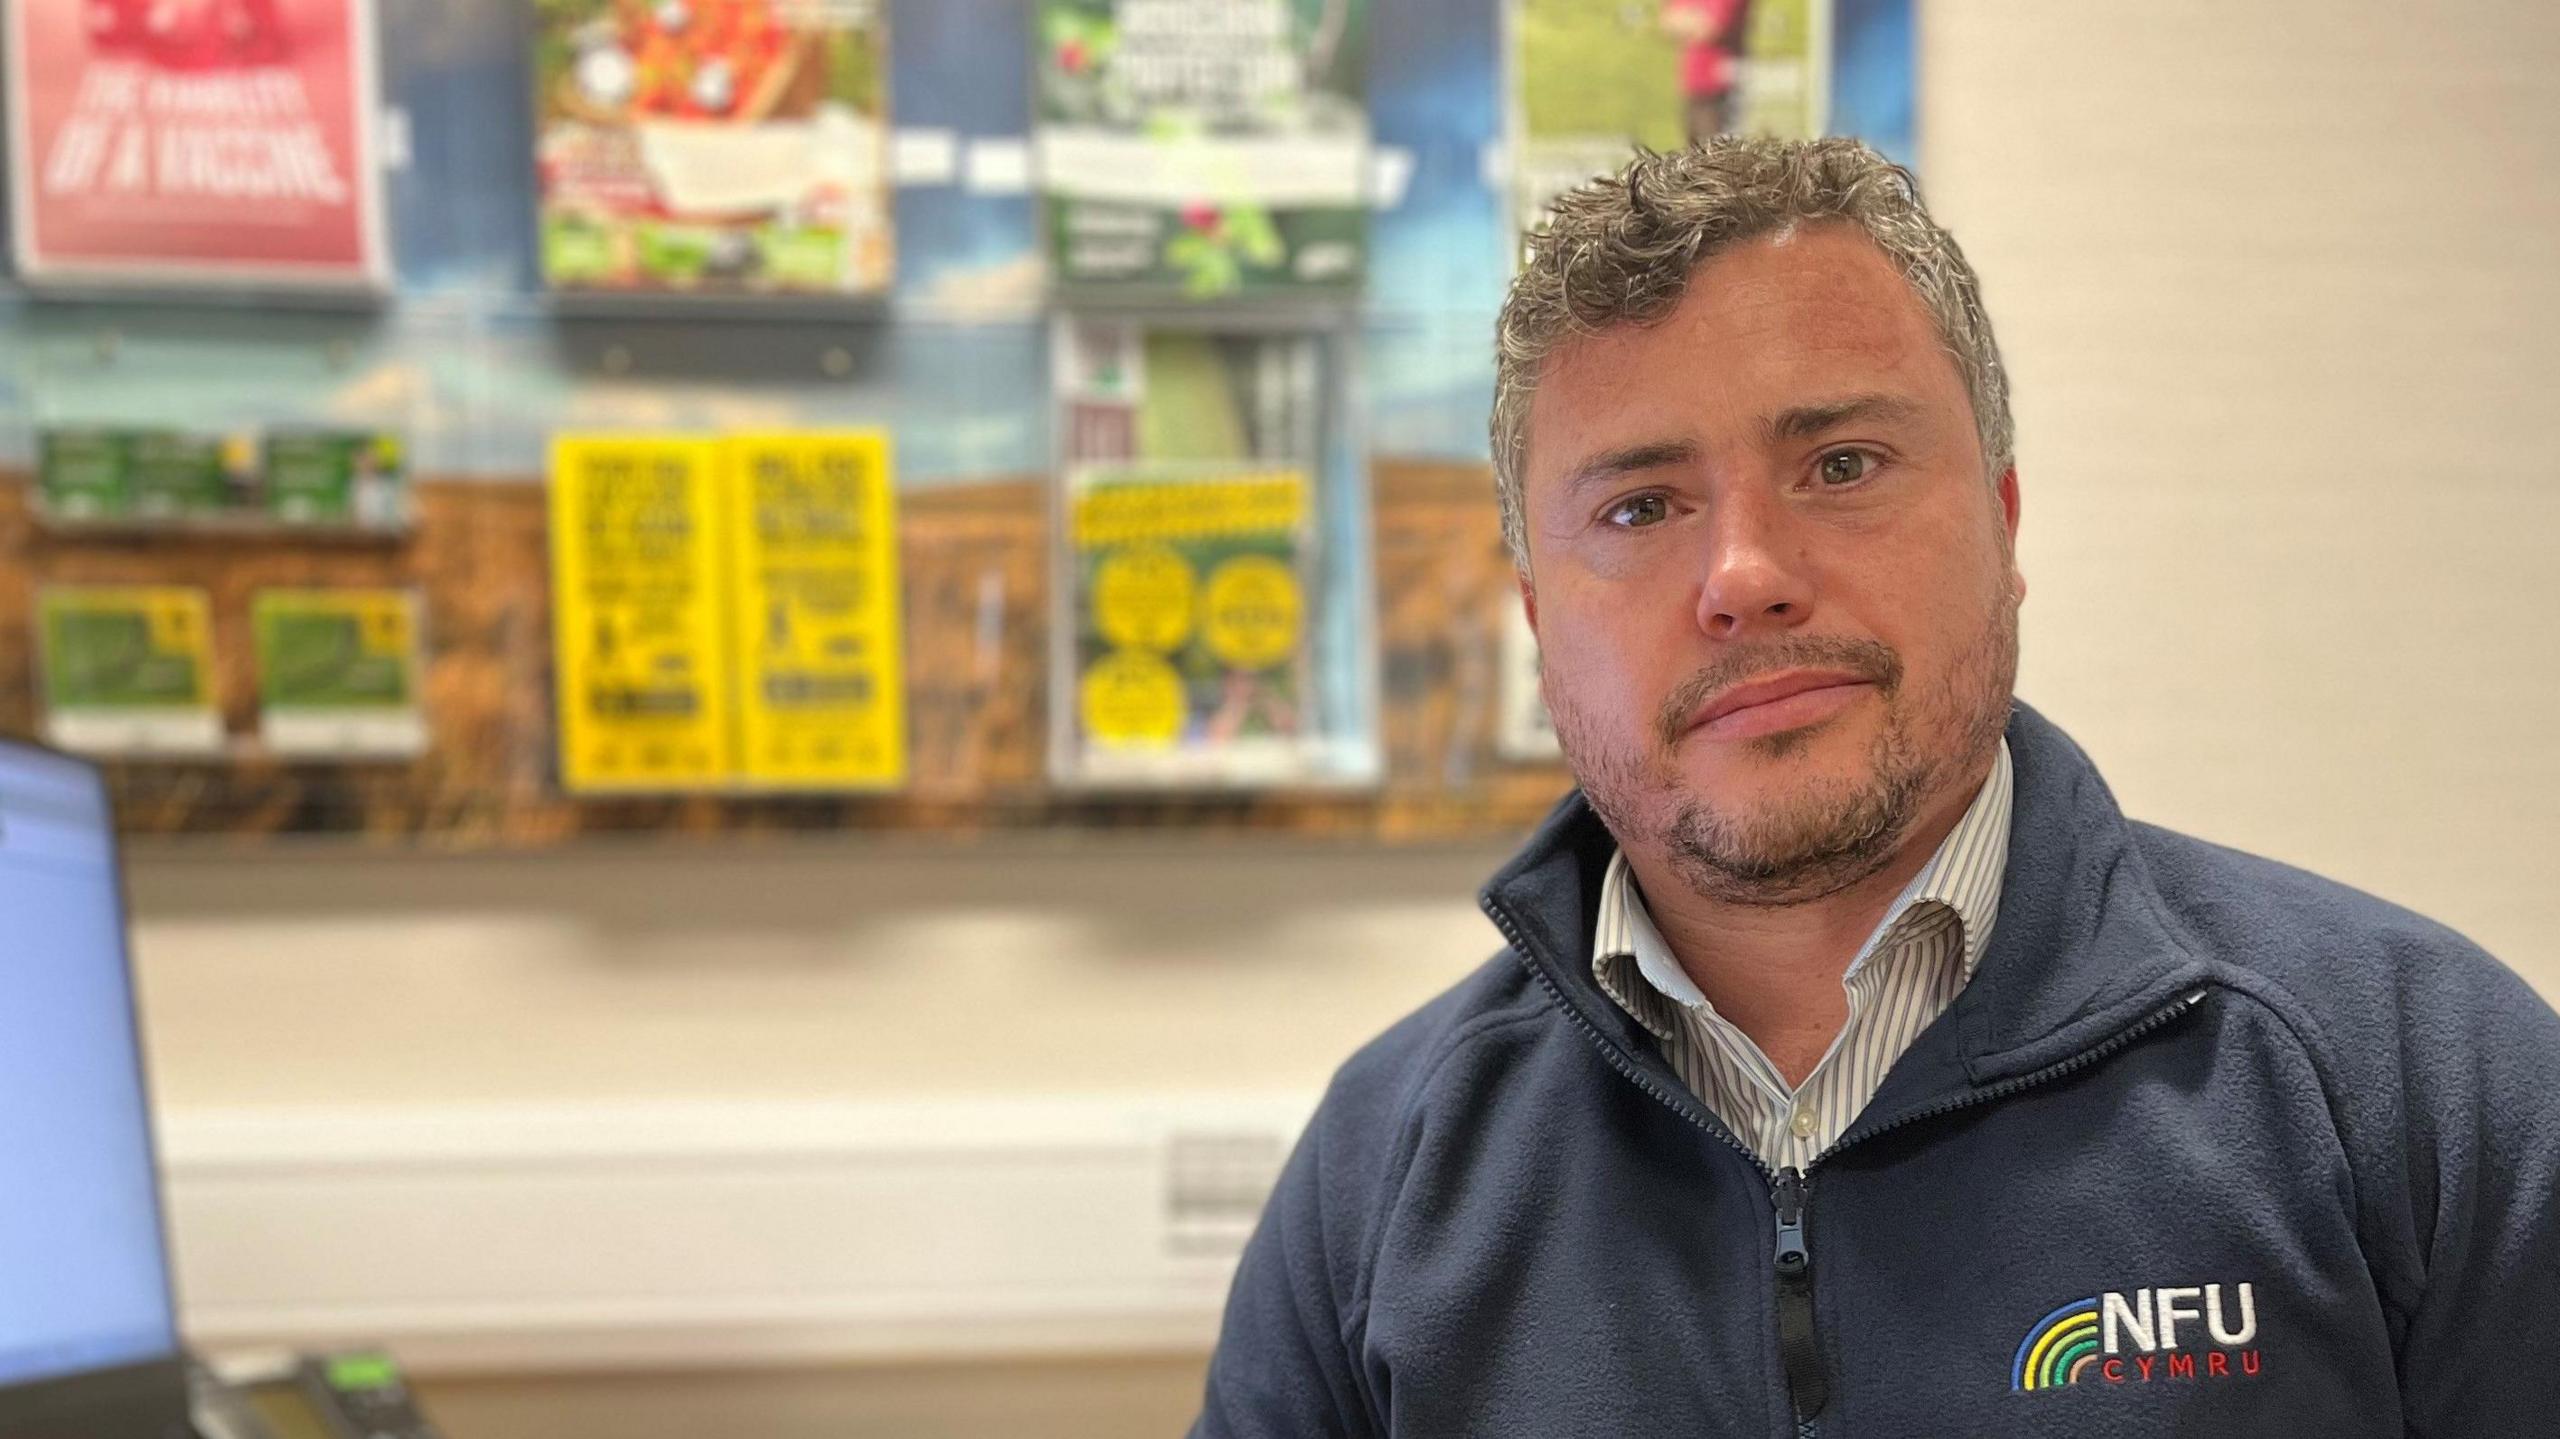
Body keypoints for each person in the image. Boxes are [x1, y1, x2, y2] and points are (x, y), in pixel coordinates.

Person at [1190, 136, 2560, 1436]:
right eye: (1641, 506)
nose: (1743, 575)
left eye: (1841, 465)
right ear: (1541, 621)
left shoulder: (2423, 1087)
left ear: (2004, 524)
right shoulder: (1386, 1172)